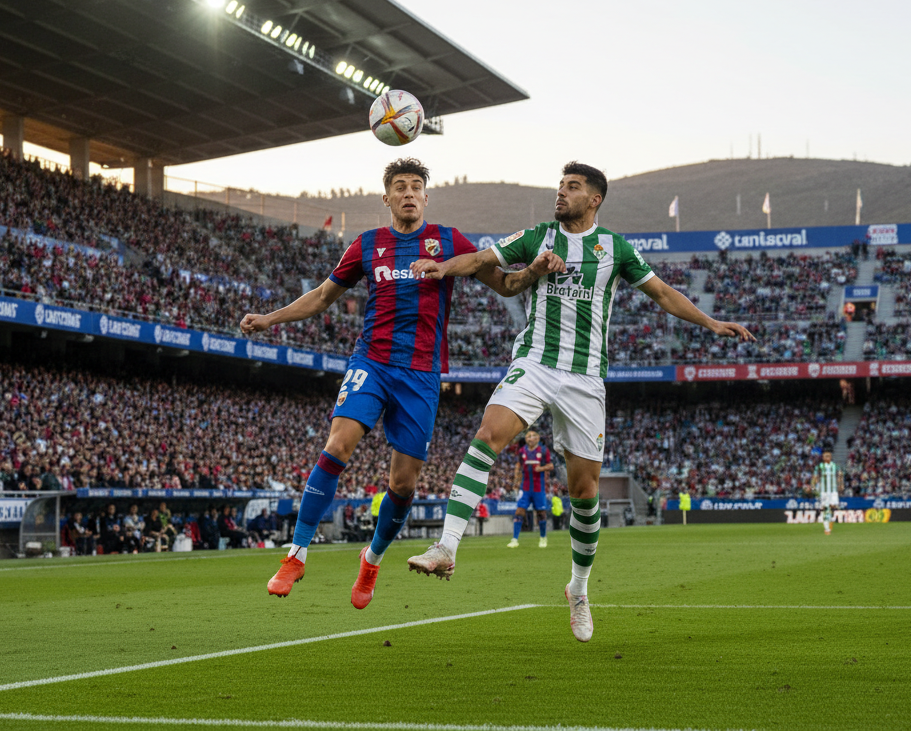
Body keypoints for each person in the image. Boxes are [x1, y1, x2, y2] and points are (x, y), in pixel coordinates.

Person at [407, 162, 754, 641]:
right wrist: (444, 266)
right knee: (487, 436)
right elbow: (483, 259)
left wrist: (711, 323)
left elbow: (661, 293)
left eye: (572, 187)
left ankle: (579, 589)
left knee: (585, 493)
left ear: (594, 199)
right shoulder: (538, 236)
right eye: (560, 186)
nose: (561, 193)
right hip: (535, 362)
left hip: (585, 377)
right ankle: (446, 547)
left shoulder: (615, 248)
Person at [240, 158, 550, 610]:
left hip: (421, 374)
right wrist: (271, 318)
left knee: (403, 485)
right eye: (400, 186)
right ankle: (296, 555)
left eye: (416, 186)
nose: (409, 193)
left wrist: (535, 270)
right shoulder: (368, 245)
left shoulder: (448, 242)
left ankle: (372, 560)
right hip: (372, 361)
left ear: (426, 196)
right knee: (337, 444)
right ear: (386, 198)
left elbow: (503, 285)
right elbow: (323, 296)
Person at [508, 429, 553, 548]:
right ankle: (514, 540)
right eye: (528, 436)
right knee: (519, 511)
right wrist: (516, 478)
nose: (531, 438)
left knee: (541, 513)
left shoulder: (543, 450)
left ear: (538, 438)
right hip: (525, 487)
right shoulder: (522, 451)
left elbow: (551, 465)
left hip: (539, 487)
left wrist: (541, 468)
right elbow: (519, 464)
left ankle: (543, 538)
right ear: (526, 439)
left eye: (533, 436)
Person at [815, 450, 843, 535]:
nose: (827, 457)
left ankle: (830, 520)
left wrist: (841, 484)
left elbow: (840, 474)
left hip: (833, 491)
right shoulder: (820, 466)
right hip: (824, 492)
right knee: (825, 508)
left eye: (828, 456)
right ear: (823, 458)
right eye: (825, 456)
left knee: (833, 507)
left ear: (831, 457)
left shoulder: (835, 466)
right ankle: (827, 528)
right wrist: (814, 487)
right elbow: (815, 476)